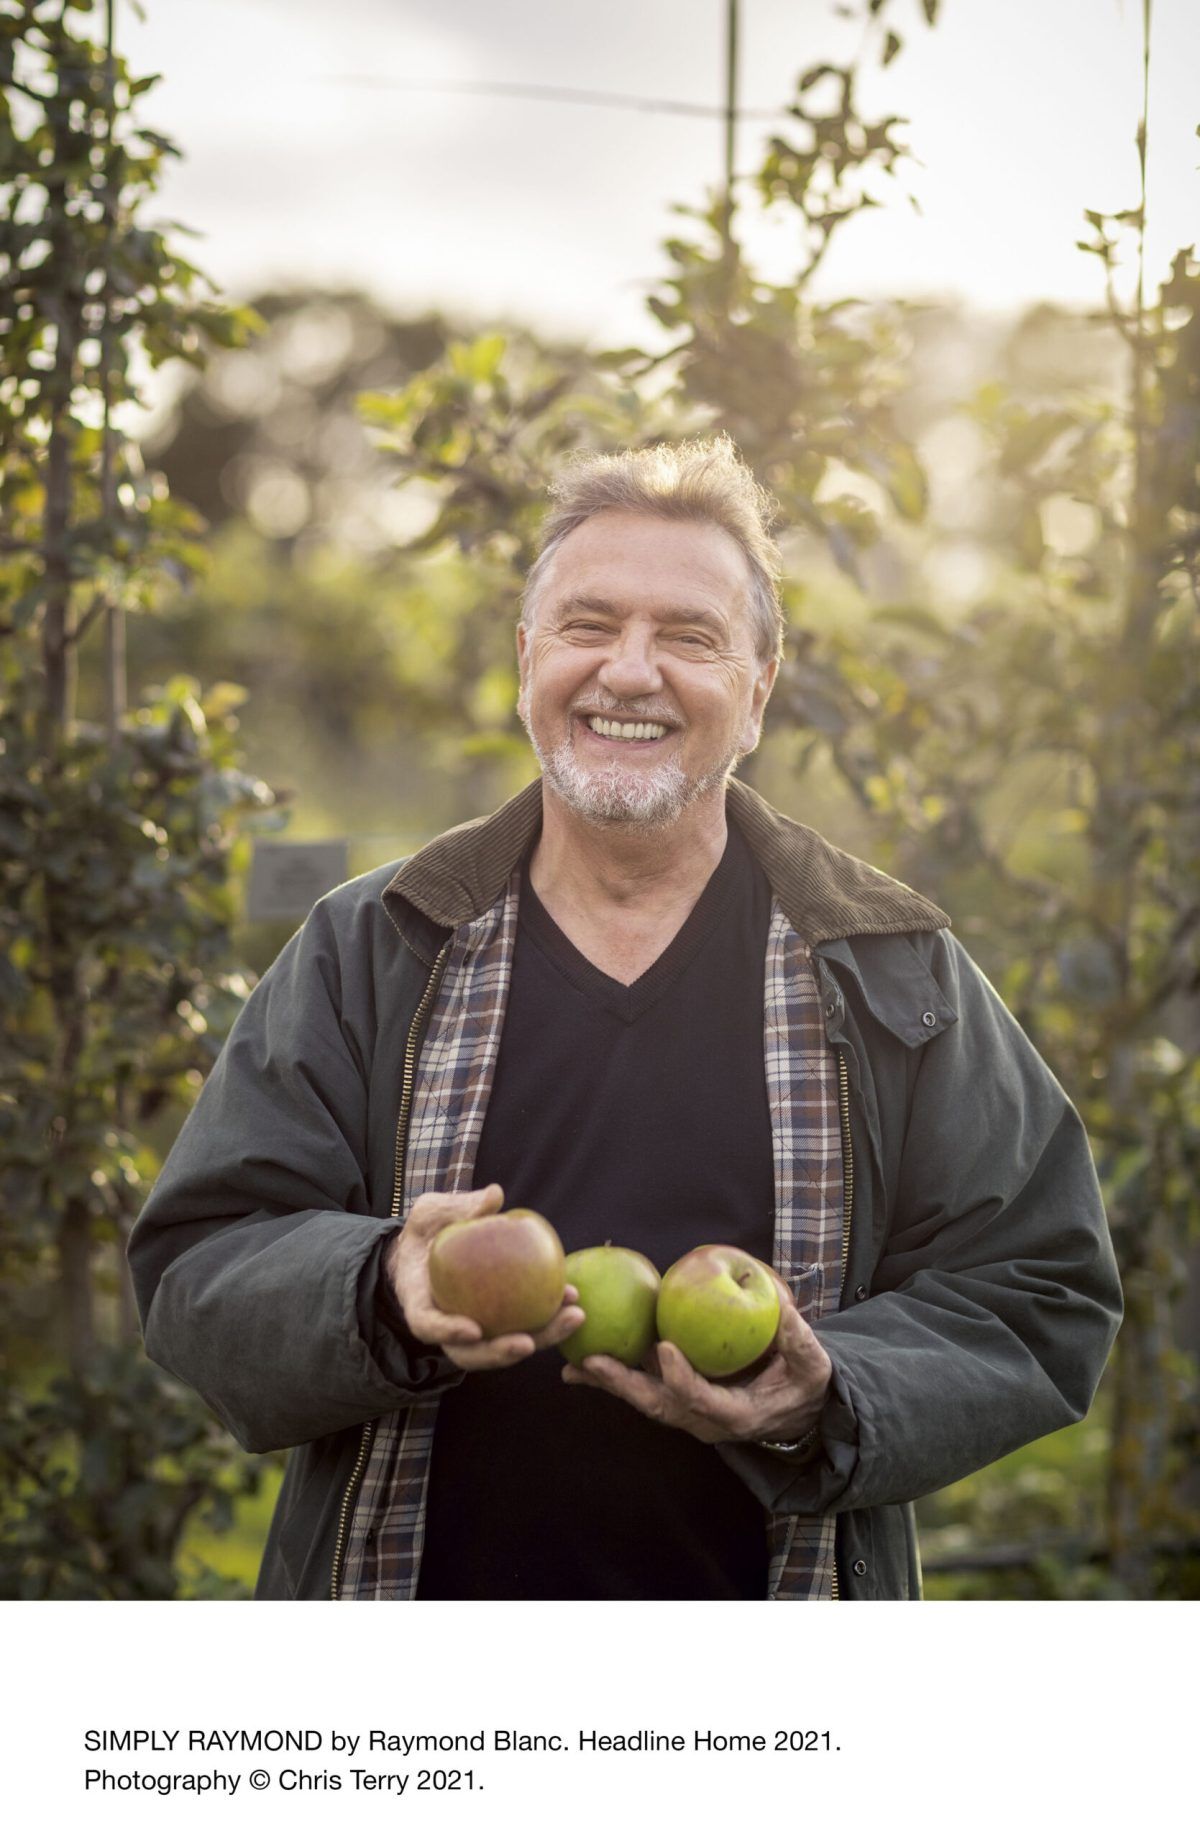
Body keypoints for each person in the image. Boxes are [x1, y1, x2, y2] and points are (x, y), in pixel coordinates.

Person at [128, 436, 1122, 1601]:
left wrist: (831, 1387)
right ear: (526, 660)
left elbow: (1043, 1283)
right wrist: (378, 1285)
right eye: (588, 624)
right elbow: (200, 1259)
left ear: (757, 690)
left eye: (689, 636)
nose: (629, 671)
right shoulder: (372, 946)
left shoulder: (892, 968)